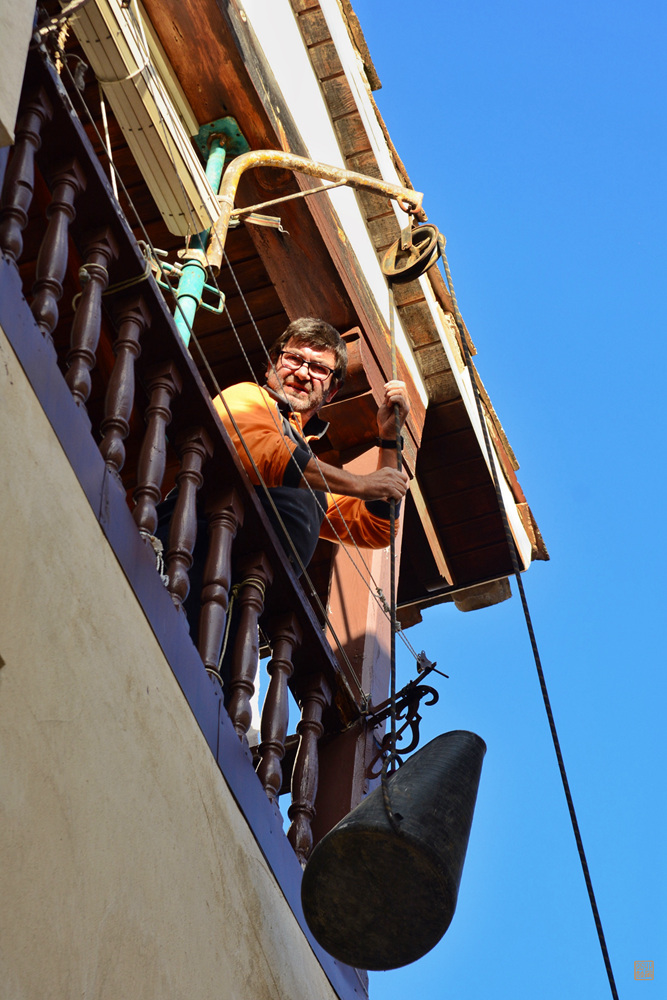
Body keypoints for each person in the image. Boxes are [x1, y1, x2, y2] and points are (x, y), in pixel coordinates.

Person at [214, 317, 411, 572]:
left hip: (252, 597)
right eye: (294, 358)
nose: (303, 372)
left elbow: (377, 529)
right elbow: (259, 453)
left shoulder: (313, 478)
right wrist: (362, 485)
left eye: (319, 368)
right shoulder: (247, 395)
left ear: (331, 393)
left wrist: (389, 439)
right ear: (271, 366)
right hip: (200, 559)